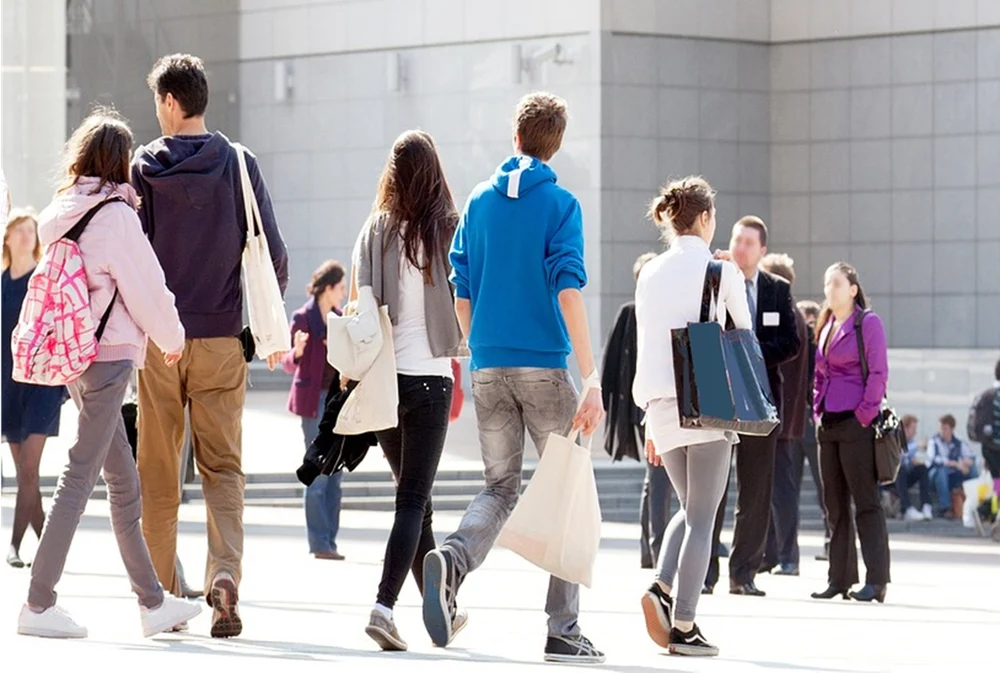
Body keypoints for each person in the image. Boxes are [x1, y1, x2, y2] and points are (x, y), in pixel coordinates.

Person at [422, 92, 606, 664]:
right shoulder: (561, 205)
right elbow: (568, 289)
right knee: (568, 490)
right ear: (556, 142)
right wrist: (592, 376)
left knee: (499, 487)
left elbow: (461, 285)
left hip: (490, 366)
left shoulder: (478, 201)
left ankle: (452, 560)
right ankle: (563, 629)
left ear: (516, 137)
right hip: (546, 367)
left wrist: (478, 347)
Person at [17, 109, 200, 639]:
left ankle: (152, 602)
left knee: (123, 481)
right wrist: (174, 339)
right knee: (80, 475)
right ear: (119, 162)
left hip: (76, 357)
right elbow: (147, 284)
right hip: (110, 354)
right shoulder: (116, 215)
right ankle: (38, 602)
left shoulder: (62, 213)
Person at [132, 53, 289, 638]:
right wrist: (254, 329)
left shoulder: (143, 167)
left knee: (158, 470)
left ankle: (164, 596)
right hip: (223, 338)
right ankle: (223, 576)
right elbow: (273, 255)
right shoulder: (240, 165)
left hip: (158, 342)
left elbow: (129, 256)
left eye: (157, 102)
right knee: (223, 468)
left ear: (171, 102)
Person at [351, 130, 465, 652]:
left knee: (416, 502)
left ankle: (442, 608)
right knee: (413, 499)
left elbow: (362, 303)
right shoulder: (447, 229)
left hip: (383, 381)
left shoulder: (374, 231)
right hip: (430, 380)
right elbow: (465, 294)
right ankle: (383, 605)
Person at [633, 176, 752, 657]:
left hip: (660, 407)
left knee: (690, 509)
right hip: (705, 403)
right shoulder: (721, 272)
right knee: (704, 518)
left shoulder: (650, 272)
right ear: (704, 218)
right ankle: (684, 624)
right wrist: (730, 279)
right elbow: (742, 331)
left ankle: (662, 586)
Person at [705, 217, 800, 597]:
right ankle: (705, 572)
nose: (741, 247)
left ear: (762, 250)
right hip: (719, 396)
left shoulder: (777, 290)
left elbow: (790, 342)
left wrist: (753, 355)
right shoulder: (715, 278)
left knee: (756, 490)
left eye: (749, 243)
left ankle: (743, 573)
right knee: (712, 487)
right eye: (737, 240)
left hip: (761, 398)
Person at [810, 263, 891, 604]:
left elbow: (879, 372)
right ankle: (839, 578)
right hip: (828, 422)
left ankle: (876, 580)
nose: (830, 289)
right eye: (827, 283)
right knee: (835, 505)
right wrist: (816, 409)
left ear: (853, 289)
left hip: (856, 423)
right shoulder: (826, 325)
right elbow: (819, 373)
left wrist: (864, 414)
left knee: (866, 503)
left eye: (837, 283)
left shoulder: (867, 323)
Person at [3, 209, 67, 568]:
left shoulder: (43, 281)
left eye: (32, 230)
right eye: (20, 230)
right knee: (25, 474)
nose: (28, 236)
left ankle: (13, 546)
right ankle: (46, 546)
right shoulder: (0, 285)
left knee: (29, 468)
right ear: (8, 238)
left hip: (42, 385)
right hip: (8, 388)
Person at [602, 252, 673, 569]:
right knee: (656, 475)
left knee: (654, 477)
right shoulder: (629, 313)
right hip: (640, 406)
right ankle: (654, 549)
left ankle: (651, 548)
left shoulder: (665, 311)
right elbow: (612, 362)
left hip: (660, 402)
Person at [283, 261, 348, 561]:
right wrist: (296, 351)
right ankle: (319, 542)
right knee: (319, 471)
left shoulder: (341, 319)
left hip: (336, 402)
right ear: (328, 288)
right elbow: (287, 362)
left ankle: (329, 542)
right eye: (342, 288)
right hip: (312, 402)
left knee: (335, 474)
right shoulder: (303, 318)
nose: (345, 294)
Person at [758, 253, 811, 577]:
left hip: (782, 417)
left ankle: (788, 555)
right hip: (782, 417)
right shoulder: (791, 315)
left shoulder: (788, 316)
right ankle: (774, 553)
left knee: (781, 490)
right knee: (774, 489)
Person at [796, 300, 830, 561]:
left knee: (824, 488)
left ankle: (831, 541)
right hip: (796, 423)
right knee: (789, 488)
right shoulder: (797, 345)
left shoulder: (822, 346)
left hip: (815, 423)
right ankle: (786, 549)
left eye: (810, 321)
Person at [967, 359, 1000, 523]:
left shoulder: (987, 395)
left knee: (998, 484)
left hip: (988, 448)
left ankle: (988, 512)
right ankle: (987, 511)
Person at [927, 414, 978, 518]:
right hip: (936, 475)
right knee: (942, 471)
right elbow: (934, 460)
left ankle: (975, 505)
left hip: (953, 475)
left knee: (973, 470)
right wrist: (955, 464)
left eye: (945, 429)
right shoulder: (934, 441)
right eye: (941, 428)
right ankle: (945, 508)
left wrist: (966, 463)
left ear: (952, 429)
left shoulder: (959, 441)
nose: (942, 431)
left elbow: (971, 456)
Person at [896, 415, 933, 521]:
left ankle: (926, 505)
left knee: (922, 469)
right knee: (900, 470)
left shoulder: (911, 442)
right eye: (914, 429)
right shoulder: (896, 438)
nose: (915, 432)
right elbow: (899, 455)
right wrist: (917, 445)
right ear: (906, 428)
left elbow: (909, 458)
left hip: (906, 477)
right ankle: (907, 508)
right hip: (893, 478)